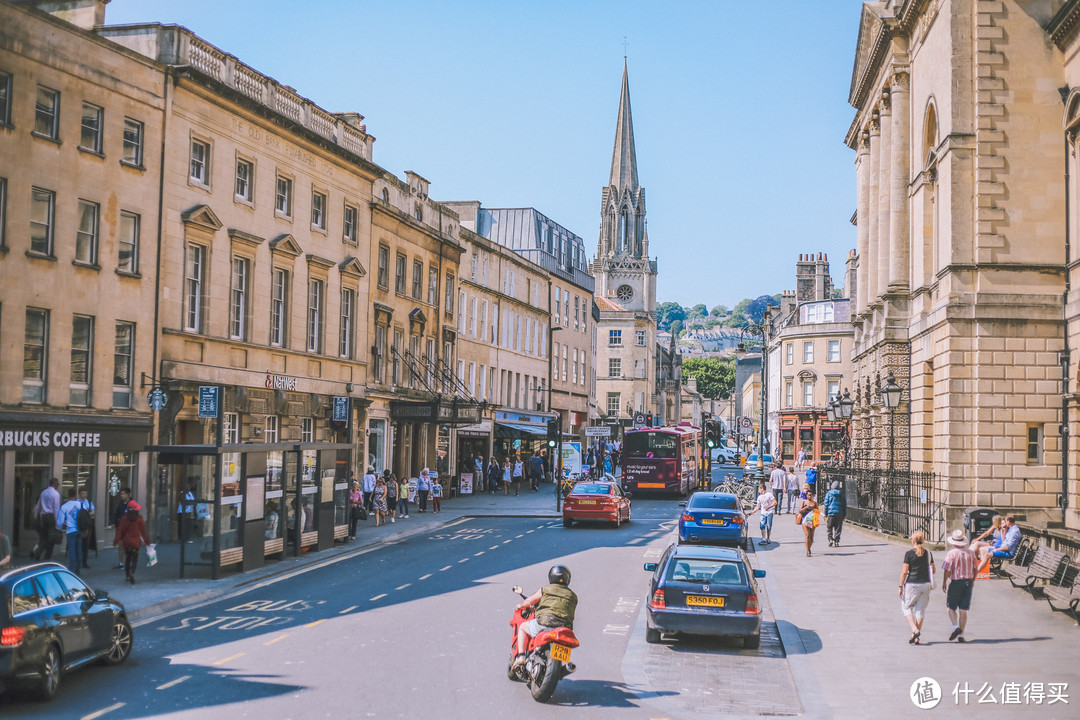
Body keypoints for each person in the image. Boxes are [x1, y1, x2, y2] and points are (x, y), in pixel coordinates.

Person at [512, 565, 578, 668]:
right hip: (564, 628)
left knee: (523, 627)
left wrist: (520, 605)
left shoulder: (545, 589)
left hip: (545, 623)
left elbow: (530, 601)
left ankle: (520, 657)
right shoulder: (573, 596)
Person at [899, 530, 935, 645]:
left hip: (912, 584)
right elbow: (933, 569)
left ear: (913, 540)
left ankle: (914, 629)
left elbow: (904, 572)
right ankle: (916, 636)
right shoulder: (928, 553)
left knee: (906, 607)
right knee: (920, 611)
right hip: (926, 584)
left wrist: (900, 586)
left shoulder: (909, 554)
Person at [942, 529, 978, 642]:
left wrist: (944, 582)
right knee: (963, 610)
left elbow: (947, 570)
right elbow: (976, 568)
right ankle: (961, 635)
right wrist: (973, 580)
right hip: (968, 582)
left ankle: (955, 627)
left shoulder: (952, 553)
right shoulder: (971, 553)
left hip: (956, 582)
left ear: (953, 542)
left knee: (950, 607)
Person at [113, 500, 151, 585]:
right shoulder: (139, 519)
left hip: (126, 542)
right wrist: (147, 542)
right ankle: (132, 573)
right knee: (134, 559)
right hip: (136, 542)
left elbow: (120, 531)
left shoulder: (124, 518)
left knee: (127, 558)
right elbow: (143, 532)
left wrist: (116, 541)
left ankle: (127, 576)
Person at [33, 477, 61, 560]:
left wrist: (36, 517)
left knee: (44, 537)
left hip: (44, 516)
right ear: (55, 485)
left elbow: (38, 506)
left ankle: (37, 554)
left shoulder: (43, 492)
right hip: (51, 516)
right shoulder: (56, 494)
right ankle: (47, 558)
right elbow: (56, 508)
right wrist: (56, 520)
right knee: (51, 538)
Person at [57, 488, 84, 575]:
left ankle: (72, 570)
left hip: (70, 530)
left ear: (68, 495)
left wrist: (58, 528)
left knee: (72, 550)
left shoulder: (64, 506)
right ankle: (78, 569)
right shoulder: (80, 505)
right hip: (79, 530)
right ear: (75, 495)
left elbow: (60, 522)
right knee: (79, 549)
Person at [111, 487, 132, 569]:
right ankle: (121, 563)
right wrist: (115, 523)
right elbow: (117, 514)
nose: (121, 495)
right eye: (121, 494)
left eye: (123, 494)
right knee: (120, 546)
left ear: (127, 494)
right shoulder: (121, 503)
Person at [823, 481, 847, 547]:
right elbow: (844, 505)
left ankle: (830, 539)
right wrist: (844, 515)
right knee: (838, 528)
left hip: (831, 513)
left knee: (829, 527)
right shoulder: (841, 495)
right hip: (839, 513)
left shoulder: (828, 494)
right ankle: (836, 541)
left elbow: (826, 504)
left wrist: (825, 513)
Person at [78, 487, 96, 569]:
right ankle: (78, 562)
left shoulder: (88, 502)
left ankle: (84, 562)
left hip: (87, 526)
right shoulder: (77, 502)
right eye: (82, 493)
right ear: (79, 494)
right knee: (79, 544)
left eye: (85, 493)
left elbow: (93, 511)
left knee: (86, 545)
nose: (84, 495)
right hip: (79, 526)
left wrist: (88, 513)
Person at [797, 491, 818, 558]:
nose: (810, 496)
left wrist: (814, 510)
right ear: (806, 496)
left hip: (812, 521)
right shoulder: (804, 502)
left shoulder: (815, 503)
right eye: (809, 495)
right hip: (804, 521)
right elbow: (800, 511)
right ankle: (808, 550)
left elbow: (817, 512)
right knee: (807, 535)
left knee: (811, 537)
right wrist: (806, 508)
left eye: (811, 495)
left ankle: (809, 547)